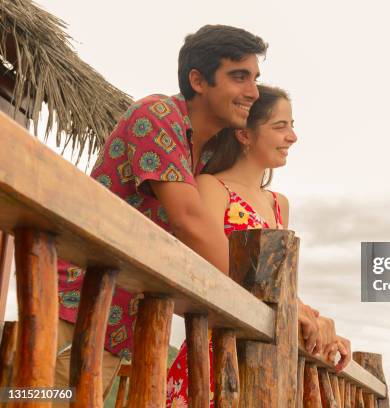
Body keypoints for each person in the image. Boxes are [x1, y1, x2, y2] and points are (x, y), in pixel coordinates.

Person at [54, 24, 340, 403]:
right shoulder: (157, 115)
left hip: (124, 320)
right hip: (77, 307)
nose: (252, 92)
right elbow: (191, 223)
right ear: (198, 80)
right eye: (239, 77)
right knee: (37, 397)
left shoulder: (205, 153)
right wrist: (287, 306)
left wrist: (303, 310)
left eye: (255, 78)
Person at [166, 85, 351, 407]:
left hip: (264, 358)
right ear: (244, 135)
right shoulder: (213, 186)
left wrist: (316, 322)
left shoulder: (279, 204)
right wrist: (296, 309)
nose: (292, 137)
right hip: (214, 350)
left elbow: (276, 283)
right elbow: (210, 266)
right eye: (280, 126)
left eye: (292, 126)